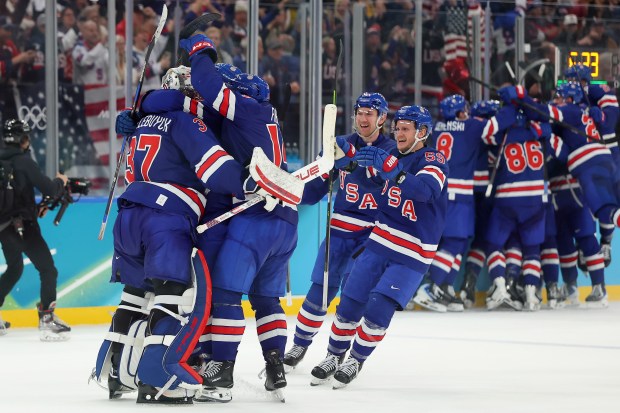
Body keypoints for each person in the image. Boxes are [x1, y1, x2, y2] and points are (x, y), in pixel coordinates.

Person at [91, 68, 299, 403]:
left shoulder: (144, 117)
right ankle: (159, 378)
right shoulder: (188, 118)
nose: (201, 97)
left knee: (136, 294)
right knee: (175, 296)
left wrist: (137, 109)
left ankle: (116, 370)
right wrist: (248, 181)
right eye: (194, 92)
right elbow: (212, 165)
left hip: (129, 211)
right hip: (168, 216)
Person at [141, 34, 302, 402]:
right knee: (267, 299)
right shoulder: (263, 115)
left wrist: (201, 50)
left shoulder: (240, 108)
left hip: (251, 215)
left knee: (225, 295)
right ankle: (275, 363)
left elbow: (203, 89)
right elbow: (165, 101)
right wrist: (141, 110)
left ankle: (221, 370)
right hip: (285, 220)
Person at [309, 105, 449, 388]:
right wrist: (345, 162)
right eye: (397, 128)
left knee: (377, 309)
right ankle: (333, 355)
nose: (398, 133)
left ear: (422, 132)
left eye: (405, 129)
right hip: (380, 241)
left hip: (412, 253)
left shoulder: (434, 158)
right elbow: (366, 179)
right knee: (349, 304)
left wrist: (394, 172)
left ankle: (355, 360)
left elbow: (424, 192)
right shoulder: (394, 155)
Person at [282, 92, 396, 371]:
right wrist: (294, 189)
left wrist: (354, 161)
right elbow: (314, 191)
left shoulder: (393, 150)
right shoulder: (339, 144)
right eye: (359, 111)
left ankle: (337, 353)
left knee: (354, 299)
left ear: (382, 118)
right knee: (319, 293)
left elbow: (386, 182)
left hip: (372, 237)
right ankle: (299, 344)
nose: (363, 117)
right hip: (339, 232)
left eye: (369, 113)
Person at [0, 119, 70, 341]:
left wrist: (34, 208)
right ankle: (47, 320)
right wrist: (60, 181)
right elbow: (49, 188)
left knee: (15, 268)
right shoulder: (24, 162)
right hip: (24, 228)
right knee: (48, 270)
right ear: (23, 139)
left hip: (3, 228)